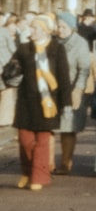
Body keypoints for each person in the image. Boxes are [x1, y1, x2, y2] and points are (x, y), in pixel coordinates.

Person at [4, 15, 72, 191]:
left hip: (48, 102)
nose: (31, 31)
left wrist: (66, 104)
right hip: (26, 101)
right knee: (25, 140)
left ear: (45, 30)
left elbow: (63, 76)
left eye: (35, 28)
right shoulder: (24, 48)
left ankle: (39, 177)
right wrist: (10, 71)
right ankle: (27, 172)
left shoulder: (57, 48)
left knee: (42, 141)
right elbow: (10, 70)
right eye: (31, 27)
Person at [55, 11, 92, 174]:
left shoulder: (80, 43)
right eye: (57, 26)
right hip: (53, 89)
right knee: (48, 127)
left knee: (68, 127)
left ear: (71, 27)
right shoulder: (53, 42)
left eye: (63, 26)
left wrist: (78, 90)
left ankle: (66, 161)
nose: (59, 29)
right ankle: (47, 163)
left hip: (71, 90)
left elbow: (84, 69)